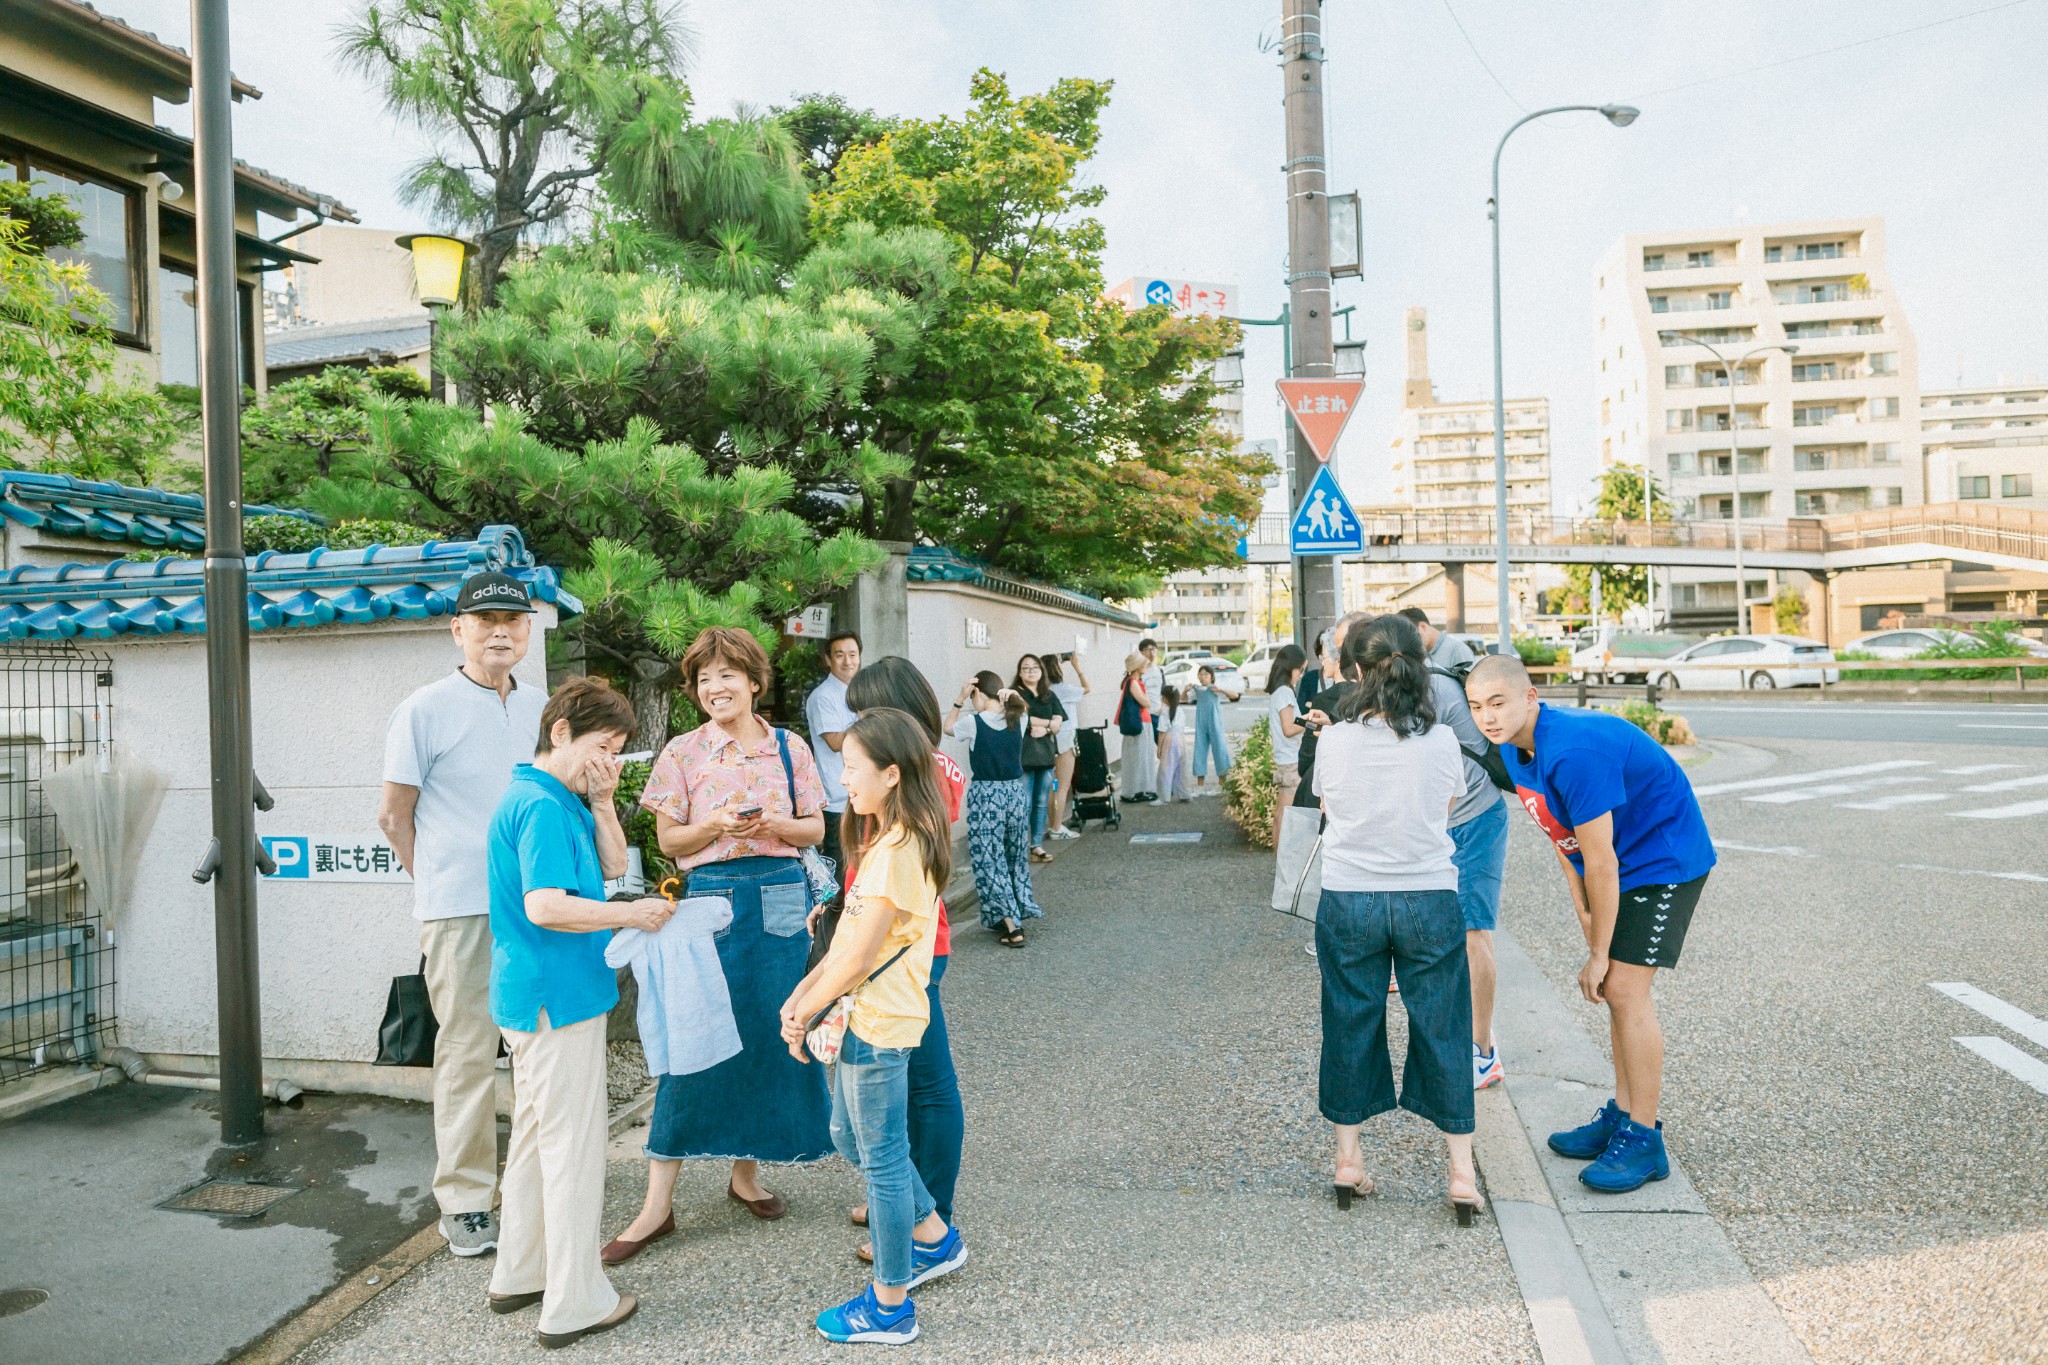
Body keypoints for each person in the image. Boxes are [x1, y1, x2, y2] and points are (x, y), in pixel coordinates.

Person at [606, 627, 830, 1262]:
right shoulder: (682, 751)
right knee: (693, 1038)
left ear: (755, 682)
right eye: (704, 678)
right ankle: (656, 1206)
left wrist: (773, 825)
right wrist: (711, 825)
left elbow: (814, 827)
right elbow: (669, 844)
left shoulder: (791, 748)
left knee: (768, 1033)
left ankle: (745, 1176)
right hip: (709, 902)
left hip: (781, 898)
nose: (714, 687)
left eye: (727, 674)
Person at [1464, 654, 1716, 1193]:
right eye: (1477, 707)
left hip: (1663, 858)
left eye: (1498, 703)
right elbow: (1561, 833)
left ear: (1530, 697)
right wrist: (1584, 913)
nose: (1487, 717)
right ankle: (1624, 1114)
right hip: (1620, 860)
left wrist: (1599, 951)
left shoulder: (1573, 751)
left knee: (1623, 988)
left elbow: (1602, 860)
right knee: (1616, 991)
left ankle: (1645, 1140)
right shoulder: (1518, 747)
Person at [484, 676, 673, 1347]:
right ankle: (573, 1302)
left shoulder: (558, 795)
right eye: (601, 746)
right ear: (560, 730)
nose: (609, 761)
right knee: (571, 1151)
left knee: (539, 1139)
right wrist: (630, 913)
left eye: (618, 751)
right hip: (554, 998)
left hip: (542, 995)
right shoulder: (537, 804)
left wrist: (602, 799)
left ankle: (521, 1271)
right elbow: (545, 905)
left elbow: (616, 861)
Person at [781, 709, 967, 1345]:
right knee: (850, 1138)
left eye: (853, 767)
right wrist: (801, 997)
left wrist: (804, 1012)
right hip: (866, 1016)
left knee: (881, 1160)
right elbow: (845, 945)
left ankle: (891, 1307)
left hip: (879, 1022)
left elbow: (859, 958)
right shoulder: (889, 841)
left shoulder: (898, 849)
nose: (843, 778)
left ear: (892, 774)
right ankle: (936, 1237)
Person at [377, 570, 547, 1257]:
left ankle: (533, 1184)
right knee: (470, 1052)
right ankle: (468, 1198)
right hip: (461, 910)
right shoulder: (424, 707)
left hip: (539, 903)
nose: (500, 630)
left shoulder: (541, 706)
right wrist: (439, 884)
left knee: (541, 1046)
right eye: (485, 620)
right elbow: (394, 815)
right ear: (458, 629)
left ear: (530, 631)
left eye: (513, 619)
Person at [1312, 616, 1481, 1224]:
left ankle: (1349, 1161)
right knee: (1443, 1023)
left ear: (1355, 670)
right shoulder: (1439, 741)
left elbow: (1329, 807)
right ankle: (1461, 1172)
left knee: (1350, 1019)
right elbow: (1448, 808)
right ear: (1419, 663)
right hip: (1428, 896)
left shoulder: (1332, 739)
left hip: (1350, 896)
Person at [843, 657, 966, 1260]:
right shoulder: (922, 766)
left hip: (906, 948)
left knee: (925, 1086)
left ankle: (928, 1216)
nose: (862, 723)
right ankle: (905, 1200)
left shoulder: (925, 774)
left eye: (870, 712)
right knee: (907, 1085)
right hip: (893, 942)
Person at [1422, 652, 1512, 1091]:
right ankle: (1471, 1037)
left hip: (1475, 818)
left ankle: (1483, 1054)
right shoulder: (1415, 685)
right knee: (1459, 935)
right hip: (1452, 820)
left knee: (1474, 934)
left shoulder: (1431, 688)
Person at [947, 671, 1041, 947]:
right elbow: (1024, 707)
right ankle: (1013, 912)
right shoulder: (1018, 718)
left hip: (986, 795)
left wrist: (959, 699)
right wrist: (1014, 697)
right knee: (1014, 856)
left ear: (978, 693)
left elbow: (947, 728)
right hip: (1014, 792)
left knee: (989, 860)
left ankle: (1012, 926)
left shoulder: (974, 722)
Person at [806, 631, 863, 871]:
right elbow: (835, 742)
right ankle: (835, 911)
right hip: (838, 800)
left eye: (852, 654)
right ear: (828, 660)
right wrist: (866, 718)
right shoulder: (824, 697)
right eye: (839, 655)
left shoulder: (858, 692)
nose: (847, 661)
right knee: (841, 867)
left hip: (862, 794)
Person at [1011, 653, 1067, 862]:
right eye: (1025, 668)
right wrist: (1048, 724)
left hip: (1045, 755)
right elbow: (1020, 718)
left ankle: (1036, 845)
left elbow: (1059, 721)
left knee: (1042, 801)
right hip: (1023, 756)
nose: (1031, 671)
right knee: (1023, 802)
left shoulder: (1049, 695)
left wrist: (1045, 729)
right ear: (1019, 672)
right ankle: (1019, 846)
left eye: (1035, 667)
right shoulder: (1015, 694)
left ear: (1042, 671)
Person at [1042, 652, 1089, 836]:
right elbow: (1087, 688)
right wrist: (1076, 667)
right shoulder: (1064, 689)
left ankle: (1052, 825)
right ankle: (1057, 828)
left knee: (1053, 785)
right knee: (1063, 786)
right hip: (1065, 739)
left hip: (1048, 740)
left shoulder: (1043, 691)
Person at [1265, 643, 1308, 845]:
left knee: (1281, 814)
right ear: (1291, 667)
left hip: (1285, 760)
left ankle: (1278, 862)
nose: (1301, 674)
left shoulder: (1278, 692)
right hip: (1292, 761)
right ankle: (1282, 864)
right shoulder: (1285, 692)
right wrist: (1310, 720)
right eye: (1301, 669)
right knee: (1286, 816)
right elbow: (1289, 728)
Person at [1188, 664, 1238, 795]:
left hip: (1215, 722)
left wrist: (1221, 690)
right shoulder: (1196, 690)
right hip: (1201, 723)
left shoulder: (1215, 689)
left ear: (1212, 676)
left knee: (1219, 749)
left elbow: (1235, 695)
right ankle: (1200, 786)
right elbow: (1182, 698)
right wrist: (1185, 690)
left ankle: (1222, 785)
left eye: (1206, 674)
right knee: (1199, 750)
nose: (1202, 677)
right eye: (1200, 674)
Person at [1115, 652, 1157, 803]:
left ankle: (1137, 790)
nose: (1145, 666)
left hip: (1140, 723)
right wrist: (1148, 701)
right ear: (1138, 666)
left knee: (1139, 757)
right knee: (1139, 758)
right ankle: (1135, 791)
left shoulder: (1130, 681)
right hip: (1140, 723)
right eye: (1143, 664)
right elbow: (1146, 703)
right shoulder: (1133, 682)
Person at [1400, 607, 1476, 673]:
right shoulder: (1418, 654)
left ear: (1423, 627)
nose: (1410, 643)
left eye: (1411, 637)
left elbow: (1472, 687)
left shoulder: (1458, 650)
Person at [1138, 638, 1165, 798]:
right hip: (1145, 717)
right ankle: (1148, 786)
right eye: (1148, 649)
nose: (1152, 652)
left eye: (1154, 649)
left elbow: (1165, 691)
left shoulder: (1160, 670)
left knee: (1165, 750)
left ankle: (1166, 783)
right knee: (1147, 752)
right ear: (1141, 652)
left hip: (1160, 715)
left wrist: (1164, 707)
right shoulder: (1139, 672)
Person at [1157, 686, 1192, 802]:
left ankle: (1164, 797)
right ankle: (1184, 793)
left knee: (1166, 769)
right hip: (1181, 740)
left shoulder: (1165, 712)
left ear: (1166, 699)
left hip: (1169, 740)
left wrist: (1159, 748)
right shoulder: (1180, 710)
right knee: (1181, 768)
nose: (1161, 699)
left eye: (1163, 697)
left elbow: (1162, 732)